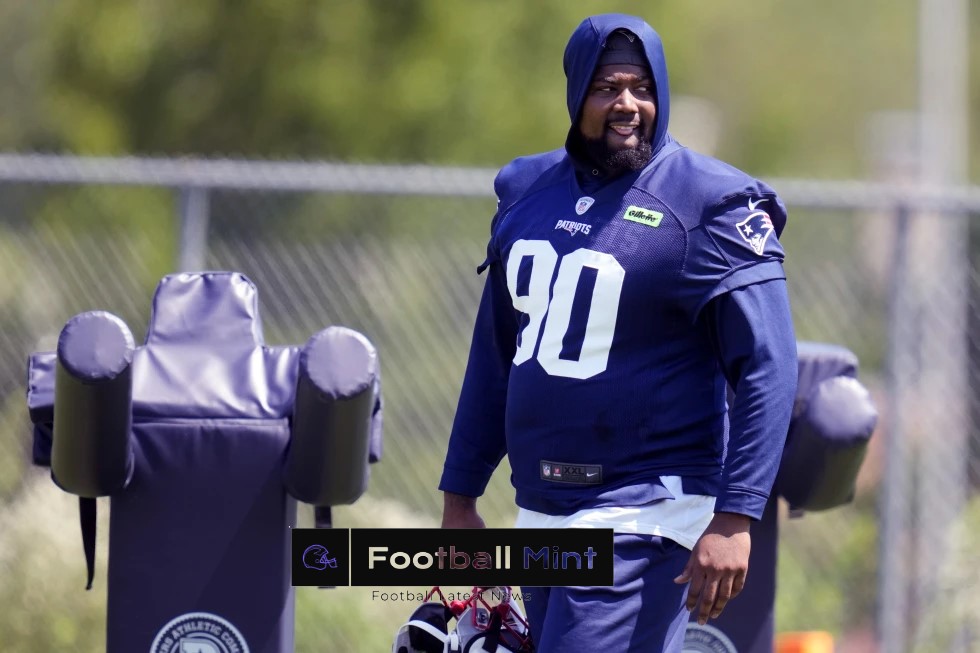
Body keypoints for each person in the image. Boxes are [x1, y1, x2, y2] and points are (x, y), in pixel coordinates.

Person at [439, 13, 798, 653]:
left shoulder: (709, 201)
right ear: (577, 93)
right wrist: (460, 497)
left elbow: (768, 364)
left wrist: (736, 516)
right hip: (543, 508)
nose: (628, 104)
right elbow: (497, 354)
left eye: (641, 87)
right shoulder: (528, 190)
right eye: (607, 87)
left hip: (643, 511)